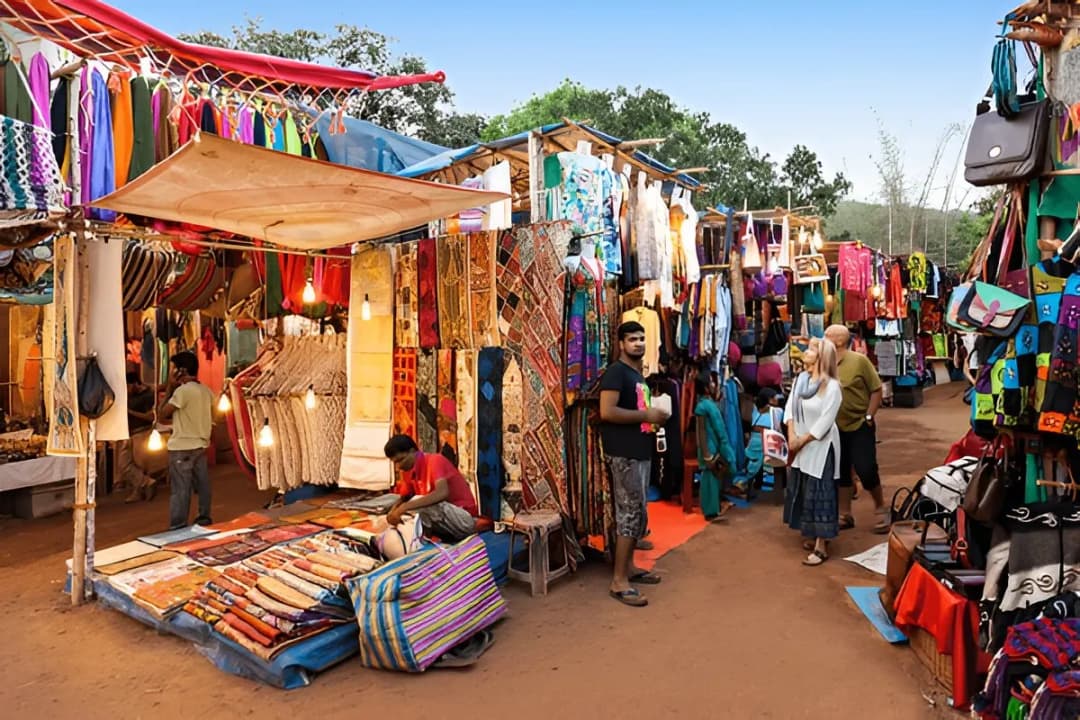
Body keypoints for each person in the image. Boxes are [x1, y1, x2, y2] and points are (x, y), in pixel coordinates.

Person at [598, 321, 671, 607]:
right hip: (624, 452)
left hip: (639, 451)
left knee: (637, 512)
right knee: (628, 514)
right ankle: (619, 581)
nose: (639, 343)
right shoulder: (617, 372)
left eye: (642, 338)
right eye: (632, 339)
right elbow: (607, 411)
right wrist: (646, 416)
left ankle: (628, 568)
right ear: (621, 343)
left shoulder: (635, 374)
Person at [783, 338, 842, 566]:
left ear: (821, 356)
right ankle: (811, 533)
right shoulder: (801, 380)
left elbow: (826, 421)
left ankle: (821, 545)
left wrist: (802, 440)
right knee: (805, 487)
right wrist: (792, 437)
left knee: (821, 490)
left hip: (821, 445)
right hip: (800, 442)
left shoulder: (833, 387)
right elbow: (790, 408)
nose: (806, 352)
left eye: (811, 349)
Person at [824, 324, 887, 533]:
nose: (824, 339)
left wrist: (869, 415)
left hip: (860, 423)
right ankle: (845, 513)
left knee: (866, 467)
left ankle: (880, 507)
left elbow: (877, 389)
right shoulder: (824, 362)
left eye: (827, 336)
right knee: (841, 470)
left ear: (839, 341)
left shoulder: (859, 361)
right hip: (834, 426)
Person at [384, 434, 478, 542]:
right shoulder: (408, 471)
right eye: (395, 463)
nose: (398, 466)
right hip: (446, 523)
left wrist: (404, 508)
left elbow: (442, 493)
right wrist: (393, 511)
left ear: (412, 451)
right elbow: (405, 497)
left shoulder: (435, 460)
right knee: (402, 506)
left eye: (400, 460)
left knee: (422, 504)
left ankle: (426, 538)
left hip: (465, 520)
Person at [158, 351, 215, 529]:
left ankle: (178, 525)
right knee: (203, 484)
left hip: (182, 446)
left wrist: (169, 388)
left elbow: (162, 414)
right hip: (200, 444)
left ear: (180, 371)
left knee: (181, 489)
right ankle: (204, 517)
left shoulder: (182, 392)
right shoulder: (206, 391)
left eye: (173, 369)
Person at [693, 371, 736, 521]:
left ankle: (715, 508)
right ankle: (710, 512)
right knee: (709, 479)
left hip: (715, 446)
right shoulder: (702, 407)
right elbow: (701, 432)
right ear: (705, 387)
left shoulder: (710, 404)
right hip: (708, 448)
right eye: (711, 382)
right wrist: (706, 454)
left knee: (715, 478)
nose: (713, 385)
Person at [119, 372, 157, 503]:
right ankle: (146, 482)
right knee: (124, 464)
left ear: (136, 384)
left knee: (139, 464)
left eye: (129, 387)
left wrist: (130, 412)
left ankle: (139, 491)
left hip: (142, 432)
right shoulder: (129, 396)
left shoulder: (148, 396)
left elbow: (151, 417)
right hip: (129, 434)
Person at [744, 388, 782, 492]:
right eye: (775, 397)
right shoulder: (777, 411)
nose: (777, 398)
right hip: (767, 442)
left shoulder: (756, 409)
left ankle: (754, 482)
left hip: (756, 441)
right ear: (770, 399)